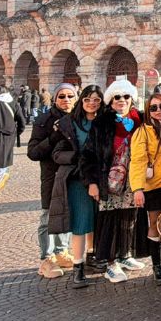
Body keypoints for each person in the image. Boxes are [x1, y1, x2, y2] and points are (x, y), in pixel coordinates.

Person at [83, 79, 145, 284]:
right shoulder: (101, 123)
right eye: (117, 97)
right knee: (109, 219)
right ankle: (110, 262)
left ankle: (125, 254)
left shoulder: (140, 120)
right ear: (110, 101)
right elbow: (89, 155)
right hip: (107, 179)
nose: (122, 101)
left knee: (129, 216)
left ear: (132, 99)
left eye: (126, 97)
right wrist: (91, 182)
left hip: (133, 178)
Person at [48, 85, 104, 288]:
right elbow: (56, 153)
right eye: (88, 99)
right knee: (81, 223)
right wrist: (77, 157)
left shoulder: (104, 123)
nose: (92, 103)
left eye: (96, 100)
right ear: (81, 101)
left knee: (98, 221)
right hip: (77, 180)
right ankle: (78, 268)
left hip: (102, 179)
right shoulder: (68, 123)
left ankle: (93, 257)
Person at [27, 83, 77, 279]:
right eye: (62, 96)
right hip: (51, 175)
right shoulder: (43, 120)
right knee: (48, 217)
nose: (66, 100)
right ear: (55, 99)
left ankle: (62, 252)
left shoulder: (79, 118)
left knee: (68, 213)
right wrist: (54, 135)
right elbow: (33, 152)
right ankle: (46, 258)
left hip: (72, 174)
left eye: (70, 96)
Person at [130, 93, 161, 285]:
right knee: (155, 224)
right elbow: (138, 160)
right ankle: (157, 268)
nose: (158, 111)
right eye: (154, 108)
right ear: (148, 111)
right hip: (154, 185)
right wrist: (137, 188)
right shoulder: (143, 131)